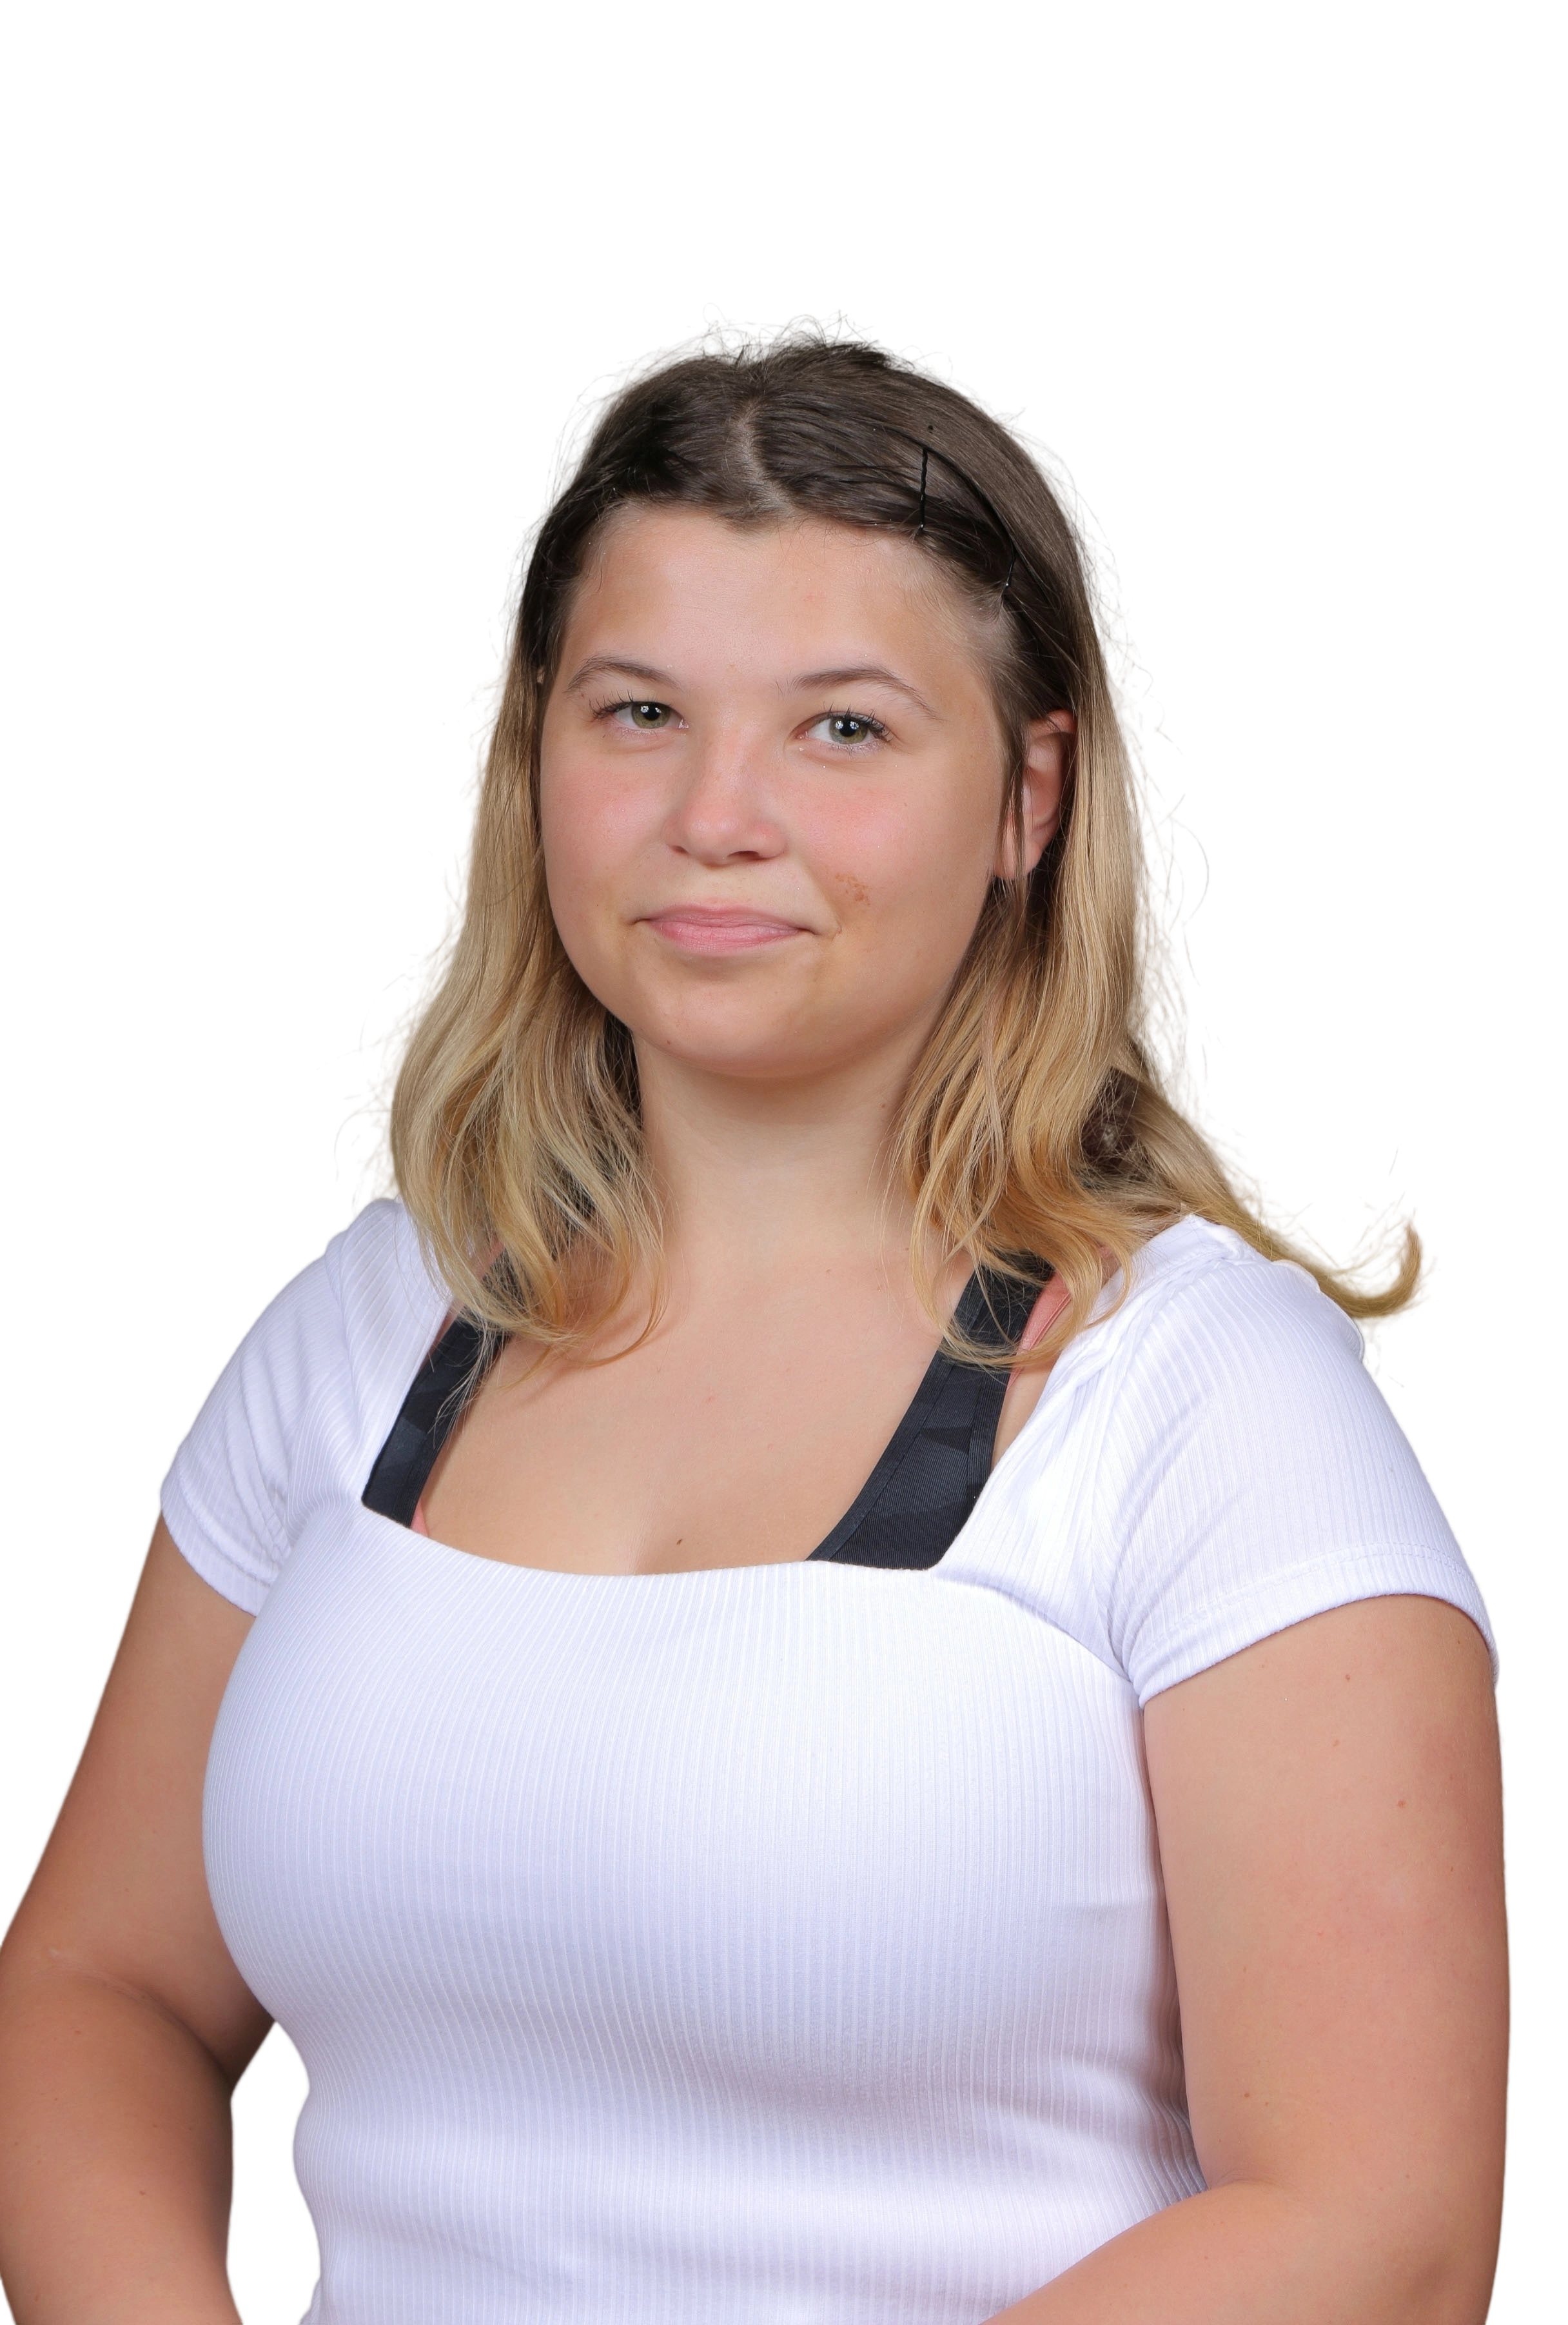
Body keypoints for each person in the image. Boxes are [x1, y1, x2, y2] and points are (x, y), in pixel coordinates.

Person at [0, 304, 1509, 2325]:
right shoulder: (372, 1327)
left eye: (844, 728)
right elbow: (95, 1985)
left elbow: (1377, 2233)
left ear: (1030, 798)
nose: (718, 814)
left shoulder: (1209, 1405)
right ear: (533, 757)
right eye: (638, 712)